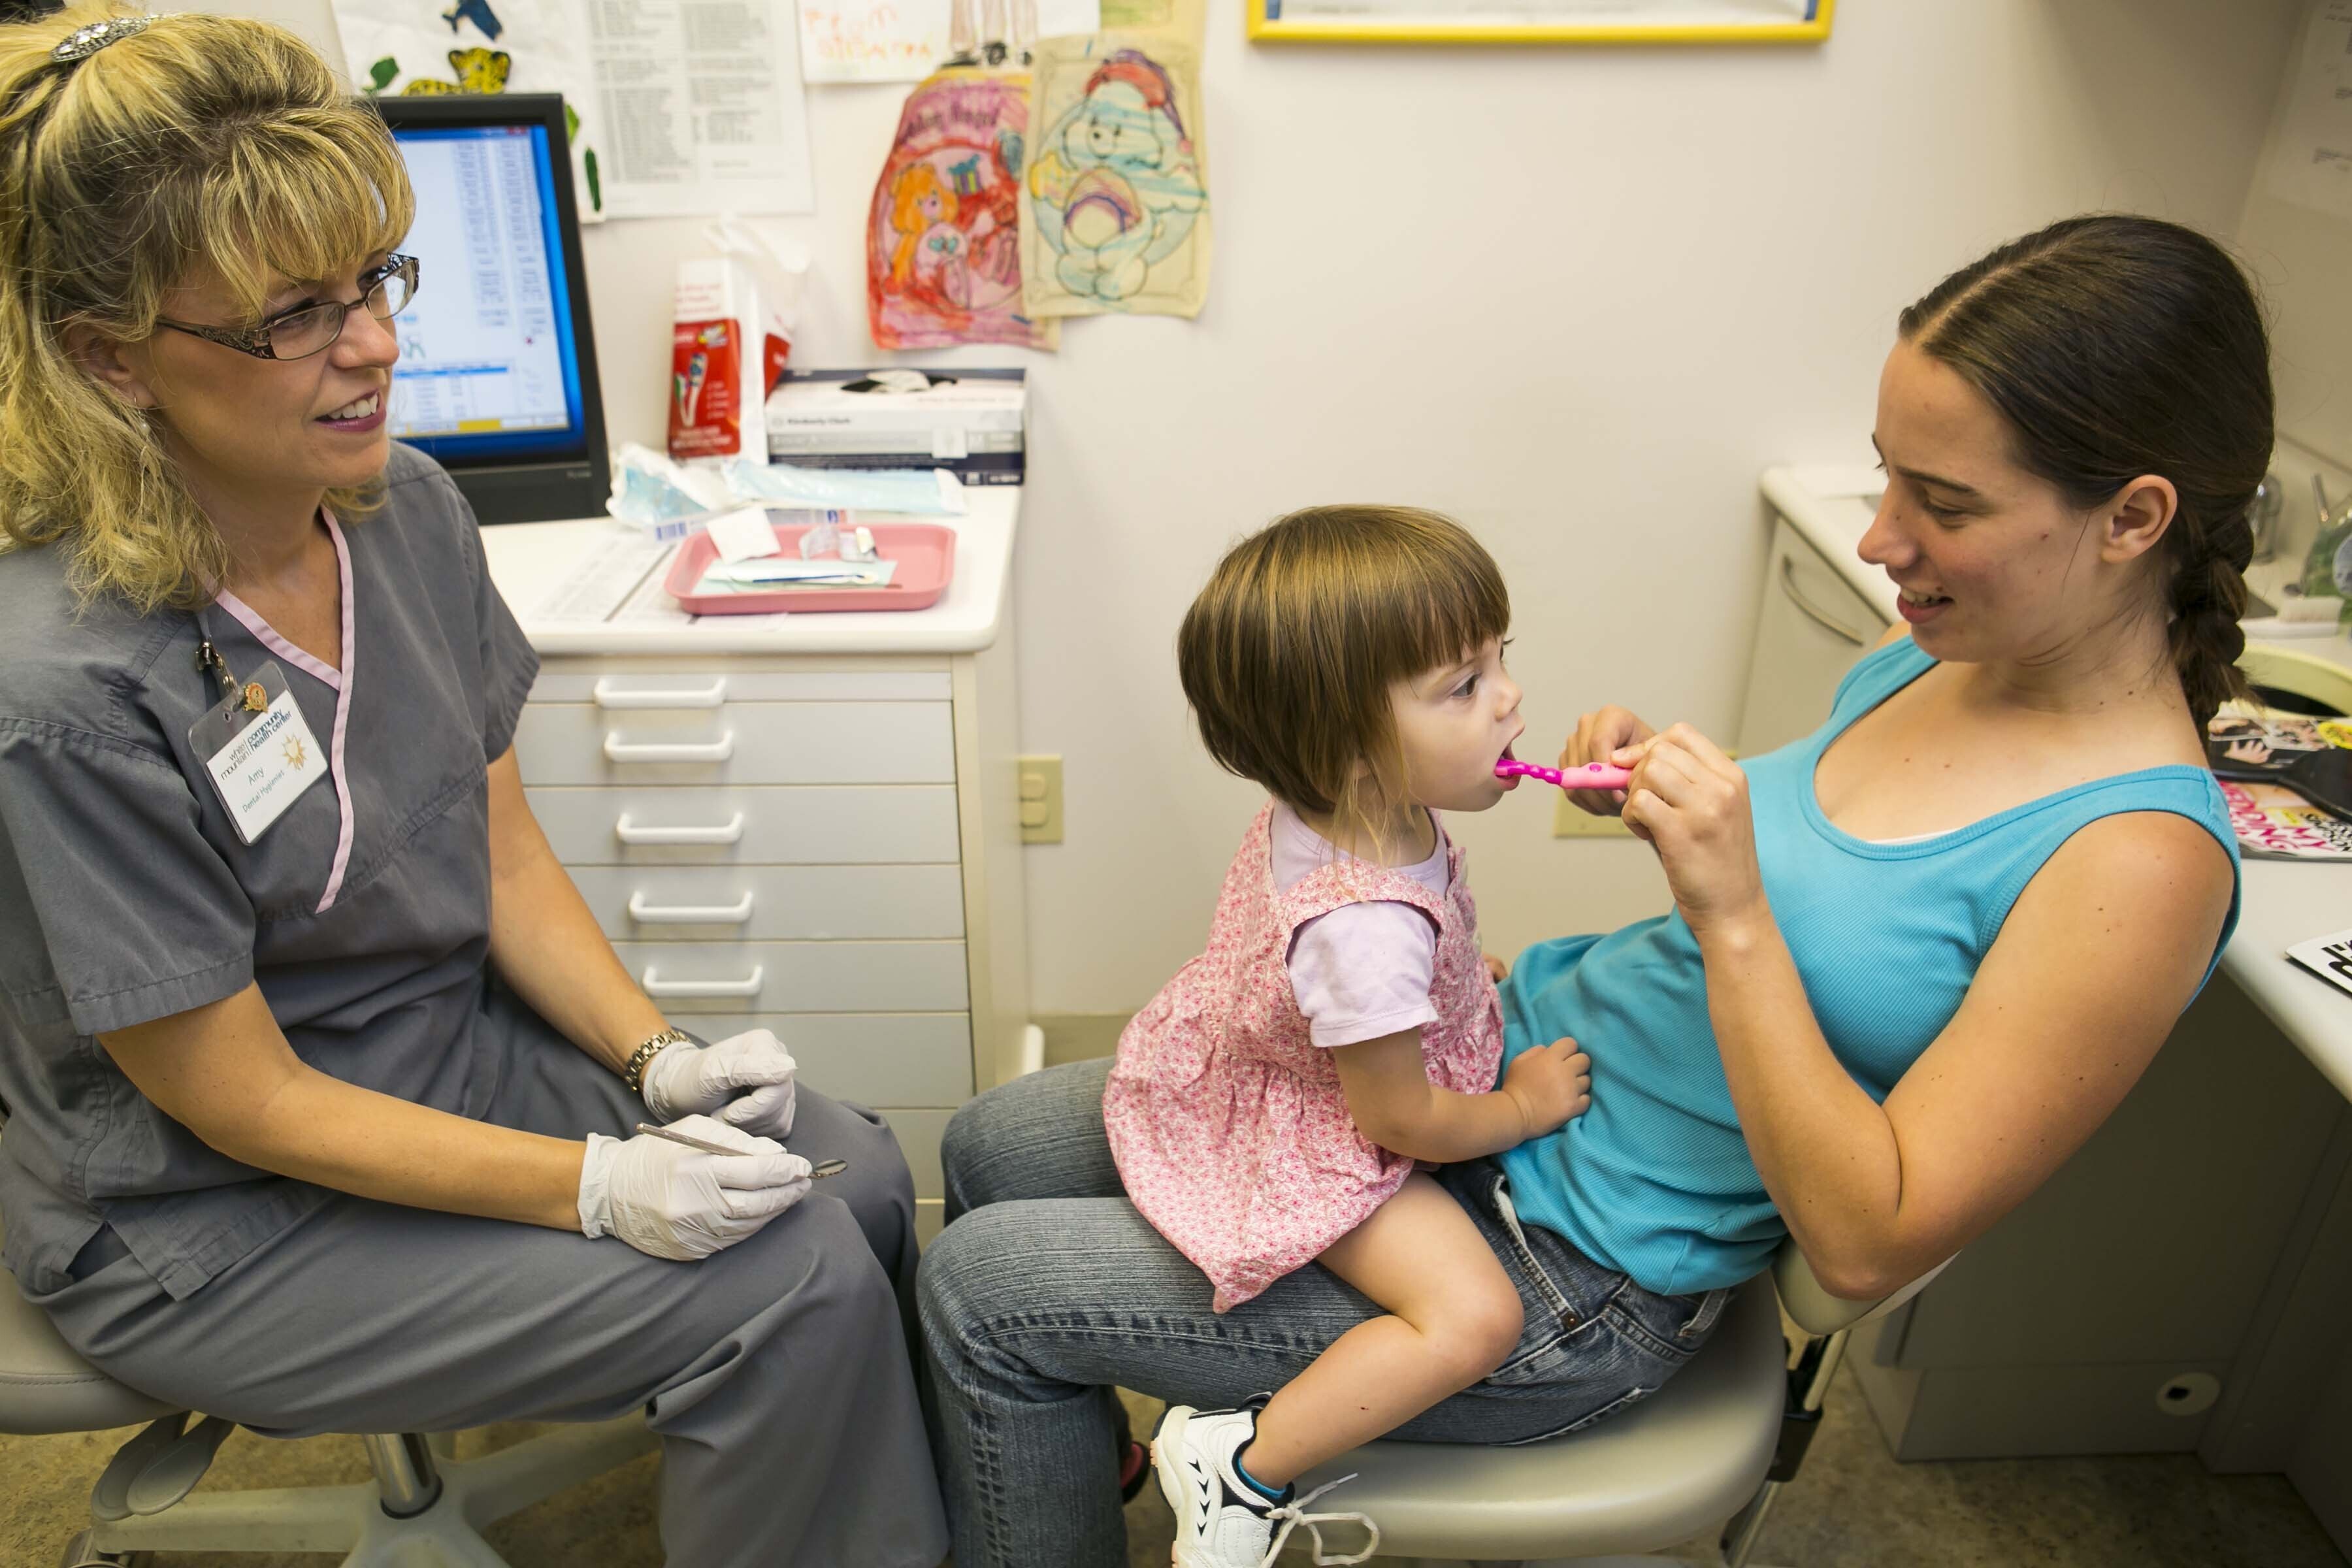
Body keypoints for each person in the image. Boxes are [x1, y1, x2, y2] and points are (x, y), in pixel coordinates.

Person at [918, 210, 2259, 1568]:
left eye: (1947, 505)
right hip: (1495, 1080)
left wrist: (1730, 909)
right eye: (1886, 481)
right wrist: (1663, 803)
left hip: (1568, 1273)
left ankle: (1092, 1454)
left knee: (982, 1295)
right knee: (993, 1147)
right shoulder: (1941, 662)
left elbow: (1865, 1246)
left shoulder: (2140, 865)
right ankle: (1072, 1464)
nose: (1881, 544)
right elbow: (1838, 892)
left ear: (2133, 519)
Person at [0, 10, 947, 1565]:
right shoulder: (64, 686)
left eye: (374, 281)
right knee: (783, 1290)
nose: (373, 343)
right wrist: (597, 1188)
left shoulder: (399, 512)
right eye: (292, 317)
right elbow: (242, 1099)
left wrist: (654, 1067)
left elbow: (499, 852)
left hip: (440, 1055)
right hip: (207, 1213)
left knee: (852, 1178)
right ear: (113, 359)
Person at [1100, 508, 1593, 1565]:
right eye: (1462, 687)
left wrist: (1451, 978)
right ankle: (1242, 1464)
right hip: (1322, 1134)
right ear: (1348, 750)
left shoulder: (1349, 804)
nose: (1509, 697)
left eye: (1500, 660)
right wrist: (1522, 1106)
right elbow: (1399, 1115)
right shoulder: (1362, 929)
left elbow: (1385, 962)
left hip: (1296, 1055)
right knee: (1474, 1320)